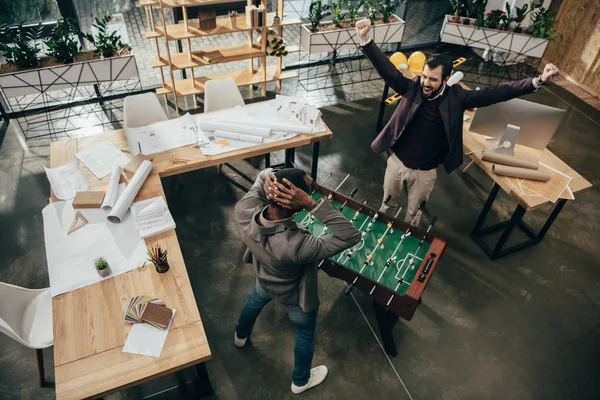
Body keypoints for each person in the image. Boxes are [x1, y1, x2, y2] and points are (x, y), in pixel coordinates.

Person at [355, 19, 560, 225]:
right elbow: (388, 71)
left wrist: (537, 81)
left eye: (433, 80)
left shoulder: (458, 97)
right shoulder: (413, 86)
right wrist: (366, 41)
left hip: (425, 173)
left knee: (413, 216)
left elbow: (498, 92)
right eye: (424, 76)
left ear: (446, 79)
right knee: (387, 205)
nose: (426, 83)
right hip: (397, 163)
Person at [233, 167, 361, 394]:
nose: (312, 192)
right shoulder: (297, 245)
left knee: (254, 301)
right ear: (295, 203)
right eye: (308, 191)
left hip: (264, 278)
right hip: (295, 296)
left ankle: (240, 336)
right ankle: (300, 381)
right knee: (305, 334)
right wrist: (313, 205)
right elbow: (352, 235)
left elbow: (262, 175)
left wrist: (272, 178)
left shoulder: (244, 210)